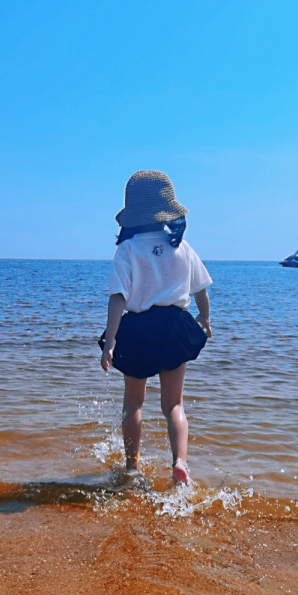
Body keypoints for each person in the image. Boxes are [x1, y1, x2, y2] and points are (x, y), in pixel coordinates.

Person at [99, 170, 213, 486]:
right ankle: (179, 463)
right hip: (174, 327)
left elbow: (118, 298)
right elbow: (201, 290)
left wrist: (111, 340)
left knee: (133, 403)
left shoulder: (127, 249)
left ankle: (132, 467)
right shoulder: (181, 247)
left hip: (137, 330)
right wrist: (204, 319)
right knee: (174, 404)